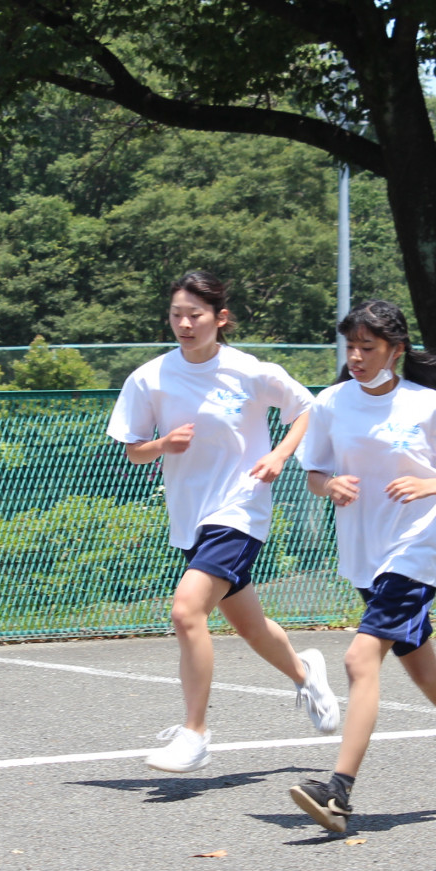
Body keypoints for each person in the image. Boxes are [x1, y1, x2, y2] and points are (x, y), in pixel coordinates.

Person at [286, 299, 436, 833]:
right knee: (422, 668)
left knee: (359, 659)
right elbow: (315, 472)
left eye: (368, 347)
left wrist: (431, 483)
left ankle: (338, 792)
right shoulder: (330, 403)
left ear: (396, 350)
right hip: (367, 551)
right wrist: (330, 485)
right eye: (351, 347)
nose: (357, 357)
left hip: (417, 546)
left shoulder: (427, 406)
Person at [107, 270, 342, 773]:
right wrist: (161, 445)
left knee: (186, 609)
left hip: (240, 510)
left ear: (220, 318)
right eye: (176, 315)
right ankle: (307, 674)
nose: (185, 324)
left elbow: (307, 408)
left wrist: (280, 455)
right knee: (250, 626)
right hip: (192, 517)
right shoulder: (150, 377)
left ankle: (195, 733)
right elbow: (132, 451)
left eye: (195, 315)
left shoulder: (250, 371)